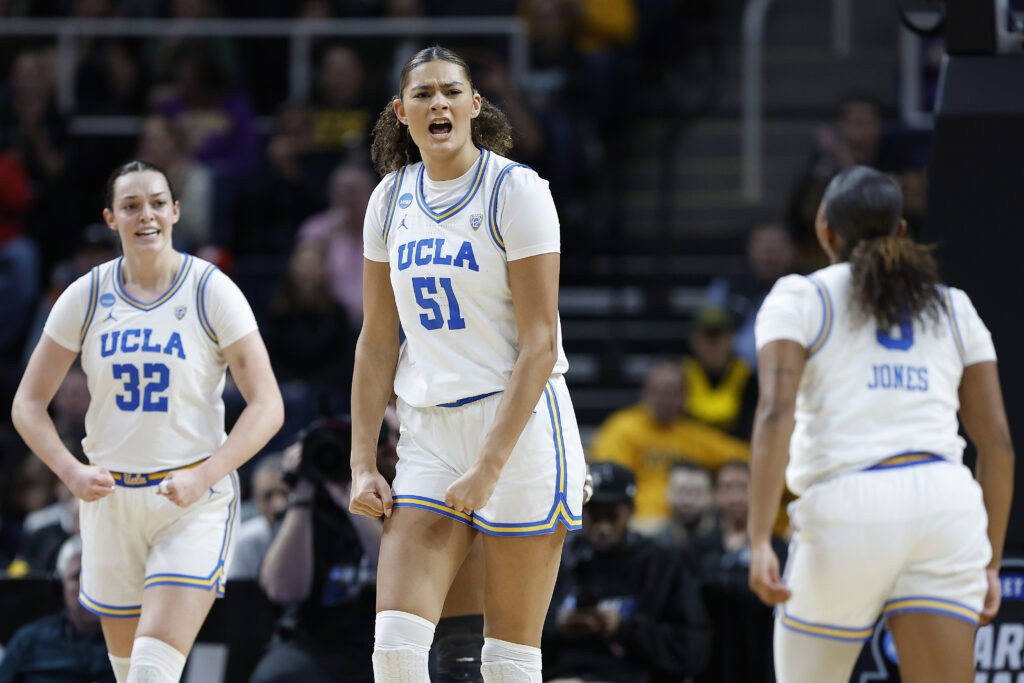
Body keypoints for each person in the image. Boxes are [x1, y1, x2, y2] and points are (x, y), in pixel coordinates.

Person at [348, 45, 587, 682]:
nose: (438, 103)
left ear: (475, 105)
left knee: (508, 663)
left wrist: (489, 465)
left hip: (520, 429)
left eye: (451, 91)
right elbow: (376, 341)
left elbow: (540, 343)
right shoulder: (388, 200)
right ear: (401, 112)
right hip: (428, 431)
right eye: (422, 94)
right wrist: (363, 462)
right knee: (396, 654)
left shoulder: (517, 190)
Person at [10, 160, 284, 683]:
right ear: (112, 218)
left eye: (158, 202)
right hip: (110, 501)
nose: (147, 215)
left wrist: (205, 475)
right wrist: (69, 472)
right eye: (132, 206)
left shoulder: (210, 290)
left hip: (189, 501)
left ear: (176, 211)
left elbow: (268, 404)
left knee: (152, 673)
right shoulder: (85, 296)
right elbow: (27, 403)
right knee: (129, 672)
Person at [748, 166, 1014, 682]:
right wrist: (990, 562)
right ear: (900, 231)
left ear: (825, 230)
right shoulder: (954, 306)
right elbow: (997, 444)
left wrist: (759, 539)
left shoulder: (802, 296)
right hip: (946, 506)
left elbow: (775, 412)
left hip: (850, 502)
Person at [543, 461, 711, 682]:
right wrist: (558, 626)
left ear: (631, 511)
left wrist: (624, 627)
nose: (603, 527)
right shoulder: (559, 559)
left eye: (612, 515)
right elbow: (517, 639)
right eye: (594, 514)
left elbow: (692, 649)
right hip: (565, 675)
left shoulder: (662, 564)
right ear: (581, 510)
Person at [250, 418, 382, 683]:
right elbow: (282, 591)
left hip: (379, 639)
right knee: (273, 676)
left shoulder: (390, 496)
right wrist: (302, 495)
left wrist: (351, 501)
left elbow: (400, 578)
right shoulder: (298, 512)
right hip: (311, 642)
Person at [589, 362, 748, 530]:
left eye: (673, 392)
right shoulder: (622, 429)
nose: (665, 398)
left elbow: (741, 455)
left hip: (690, 524)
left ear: (686, 398)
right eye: (658, 391)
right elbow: (609, 481)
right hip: (639, 522)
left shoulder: (692, 434)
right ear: (645, 393)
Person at [0, 535, 115, 683]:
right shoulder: (28, 643)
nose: (89, 587)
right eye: (76, 577)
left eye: (97, 576)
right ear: (60, 587)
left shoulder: (133, 639)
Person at [682, 306, 757, 440]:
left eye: (719, 337)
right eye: (708, 338)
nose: (713, 345)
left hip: (736, 453)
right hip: (690, 453)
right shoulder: (681, 378)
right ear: (694, 341)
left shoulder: (748, 378)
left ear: (731, 339)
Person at [227, 452, 288, 581]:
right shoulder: (244, 542)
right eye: (268, 496)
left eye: (285, 493)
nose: (278, 505)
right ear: (256, 500)